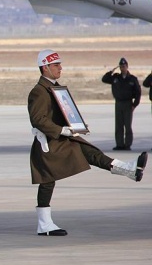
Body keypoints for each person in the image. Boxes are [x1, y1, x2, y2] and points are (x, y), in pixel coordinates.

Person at [28, 49, 147, 236]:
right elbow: (38, 120)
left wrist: (76, 125)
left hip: (62, 139)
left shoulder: (54, 88)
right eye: (56, 65)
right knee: (47, 182)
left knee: (92, 154)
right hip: (50, 142)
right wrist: (62, 130)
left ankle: (130, 170)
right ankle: (44, 224)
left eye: (60, 64)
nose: (60, 68)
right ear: (45, 68)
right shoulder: (39, 92)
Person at [101, 57, 141, 150]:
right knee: (118, 125)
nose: (122, 68)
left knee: (127, 125)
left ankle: (127, 145)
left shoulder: (132, 79)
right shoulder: (116, 77)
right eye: (121, 66)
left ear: (127, 67)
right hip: (118, 103)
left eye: (124, 66)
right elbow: (104, 79)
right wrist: (111, 71)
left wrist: (134, 105)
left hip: (128, 104)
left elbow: (138, 93)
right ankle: (119, 144)